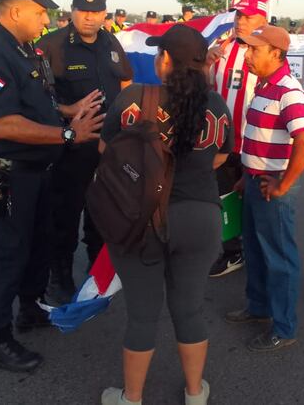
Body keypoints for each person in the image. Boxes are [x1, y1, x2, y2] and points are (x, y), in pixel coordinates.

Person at [0, 0, 104, 372]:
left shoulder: (22, 50)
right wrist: (69, 133)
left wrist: (66, 112)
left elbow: (36, 101)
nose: (45, 20)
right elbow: (3, 124)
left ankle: (30, 309)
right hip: (3, 176)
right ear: (17, 9)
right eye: (41, 12)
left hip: (34, 173)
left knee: (34, 246)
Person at [100, 24, 232, 405]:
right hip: (200, 217)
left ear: (166, 60)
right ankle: (194, 393)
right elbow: (219, 158)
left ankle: (132, 398)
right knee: (189, 309)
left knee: (142, 315)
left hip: (141, 218)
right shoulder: (217, 105)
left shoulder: (133, 99)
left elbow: (108, 154)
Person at [36, 0, 134, 304]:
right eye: (84, 10)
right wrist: (68, 110)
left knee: (101, 215)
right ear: (73, 9)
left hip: (107, 151)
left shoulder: (111, 42)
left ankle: (97, 276)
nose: (90, 18)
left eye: (96, 11)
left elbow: (126, 79)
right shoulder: (51, 46)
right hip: (70, 148)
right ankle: (60, 281)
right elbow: (36, 100)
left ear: (105, 12)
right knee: (64, 216)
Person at [225, 25, 304, 352]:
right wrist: (245, 175)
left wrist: (284, 184)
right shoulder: (264, 86)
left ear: (276, 54)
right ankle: (259, 306)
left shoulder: (288, 90)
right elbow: (260, 137)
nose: (247, 56)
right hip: (254, 181)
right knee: (255, 249)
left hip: (272, 187)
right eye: (247, 49)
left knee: (279, 257)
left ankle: (284, 326)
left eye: (254, 50)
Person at [205, 0, 283, 278]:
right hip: (223, 140)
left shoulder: (268, 52)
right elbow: (207, 88)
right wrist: (206, 63)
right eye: (238, 15)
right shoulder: (223, 46)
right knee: (225, 195)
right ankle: (232, 250)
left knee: (257, 199)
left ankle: (260, 252)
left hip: (256, 142)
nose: (240, 20)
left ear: (263, 19)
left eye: (248, 16)